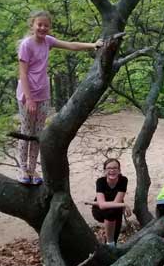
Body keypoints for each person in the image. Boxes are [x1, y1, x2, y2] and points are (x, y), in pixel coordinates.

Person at [15, 10, 102, 185]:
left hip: (43, 94)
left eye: (46, 25)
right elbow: (23, 74)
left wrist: (93, 45)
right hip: (27, 95)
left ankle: (32, 170)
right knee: (26, 132)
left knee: (38, 134)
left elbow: (71, 45)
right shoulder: (26, 45)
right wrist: (29, 98)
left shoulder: (48, 41)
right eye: (39, 24)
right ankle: (23, 169)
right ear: (32, 25)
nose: (42, 28)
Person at [91, 158, 132, 245]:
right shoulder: (100, 181)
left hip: (116, 209)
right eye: (109, 168)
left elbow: (117, 201)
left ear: (119, 170)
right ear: (105, 171)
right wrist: (123, 204)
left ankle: (109, 241)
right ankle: (109, 242)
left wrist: (119, 204)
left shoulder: (123, 180)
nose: (112, 170)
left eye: (115, 168)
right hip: (99, 210)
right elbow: (101, 205)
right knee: (110, 213)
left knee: (115, 237)